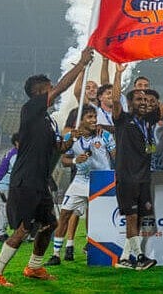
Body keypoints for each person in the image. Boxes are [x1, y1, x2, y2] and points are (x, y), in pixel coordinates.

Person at [0, 47, 93, 287]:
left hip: (40, 181)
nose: (53, 89)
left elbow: (58, 149)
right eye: (49, 87)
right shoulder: (30, 108)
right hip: (26, 179)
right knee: (24, 228)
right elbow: (61, 88)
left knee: (50, 224)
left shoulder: (47, 121)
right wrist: (81, 64)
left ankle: (33, 267)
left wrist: (72, 138)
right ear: (39, 91)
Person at [111, 60, 163, 270]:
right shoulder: (122, 119)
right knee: (132, 217)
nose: (143, 102)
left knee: (140, 218)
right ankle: (140, 257)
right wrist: (118, 74)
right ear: (130, 103)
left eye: (145, 99)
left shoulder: (149, 121)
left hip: (143, 177)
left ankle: (125, 258)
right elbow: (115, 99)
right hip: (127, 177)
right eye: (138, 99)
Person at [46, 105, 115, 266]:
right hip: (80, 180)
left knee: (100, 218)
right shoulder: (72, 136)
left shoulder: (104, 135)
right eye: (89, 117)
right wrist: (75, 160)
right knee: (65, 214)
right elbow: (64, 160)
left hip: (101, 181)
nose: (94, 120)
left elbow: (115, 156)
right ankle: (56, 254)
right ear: (80, 120)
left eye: (94, 117)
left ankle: (99, 251)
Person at [0, 134, 19, 242]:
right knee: (5, 210)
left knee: (4, 210)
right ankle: (1, 233)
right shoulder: (15, 155)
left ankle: (2, 232)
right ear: (17, 142)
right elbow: (17, 171)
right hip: (1, 186)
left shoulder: (12, 152)